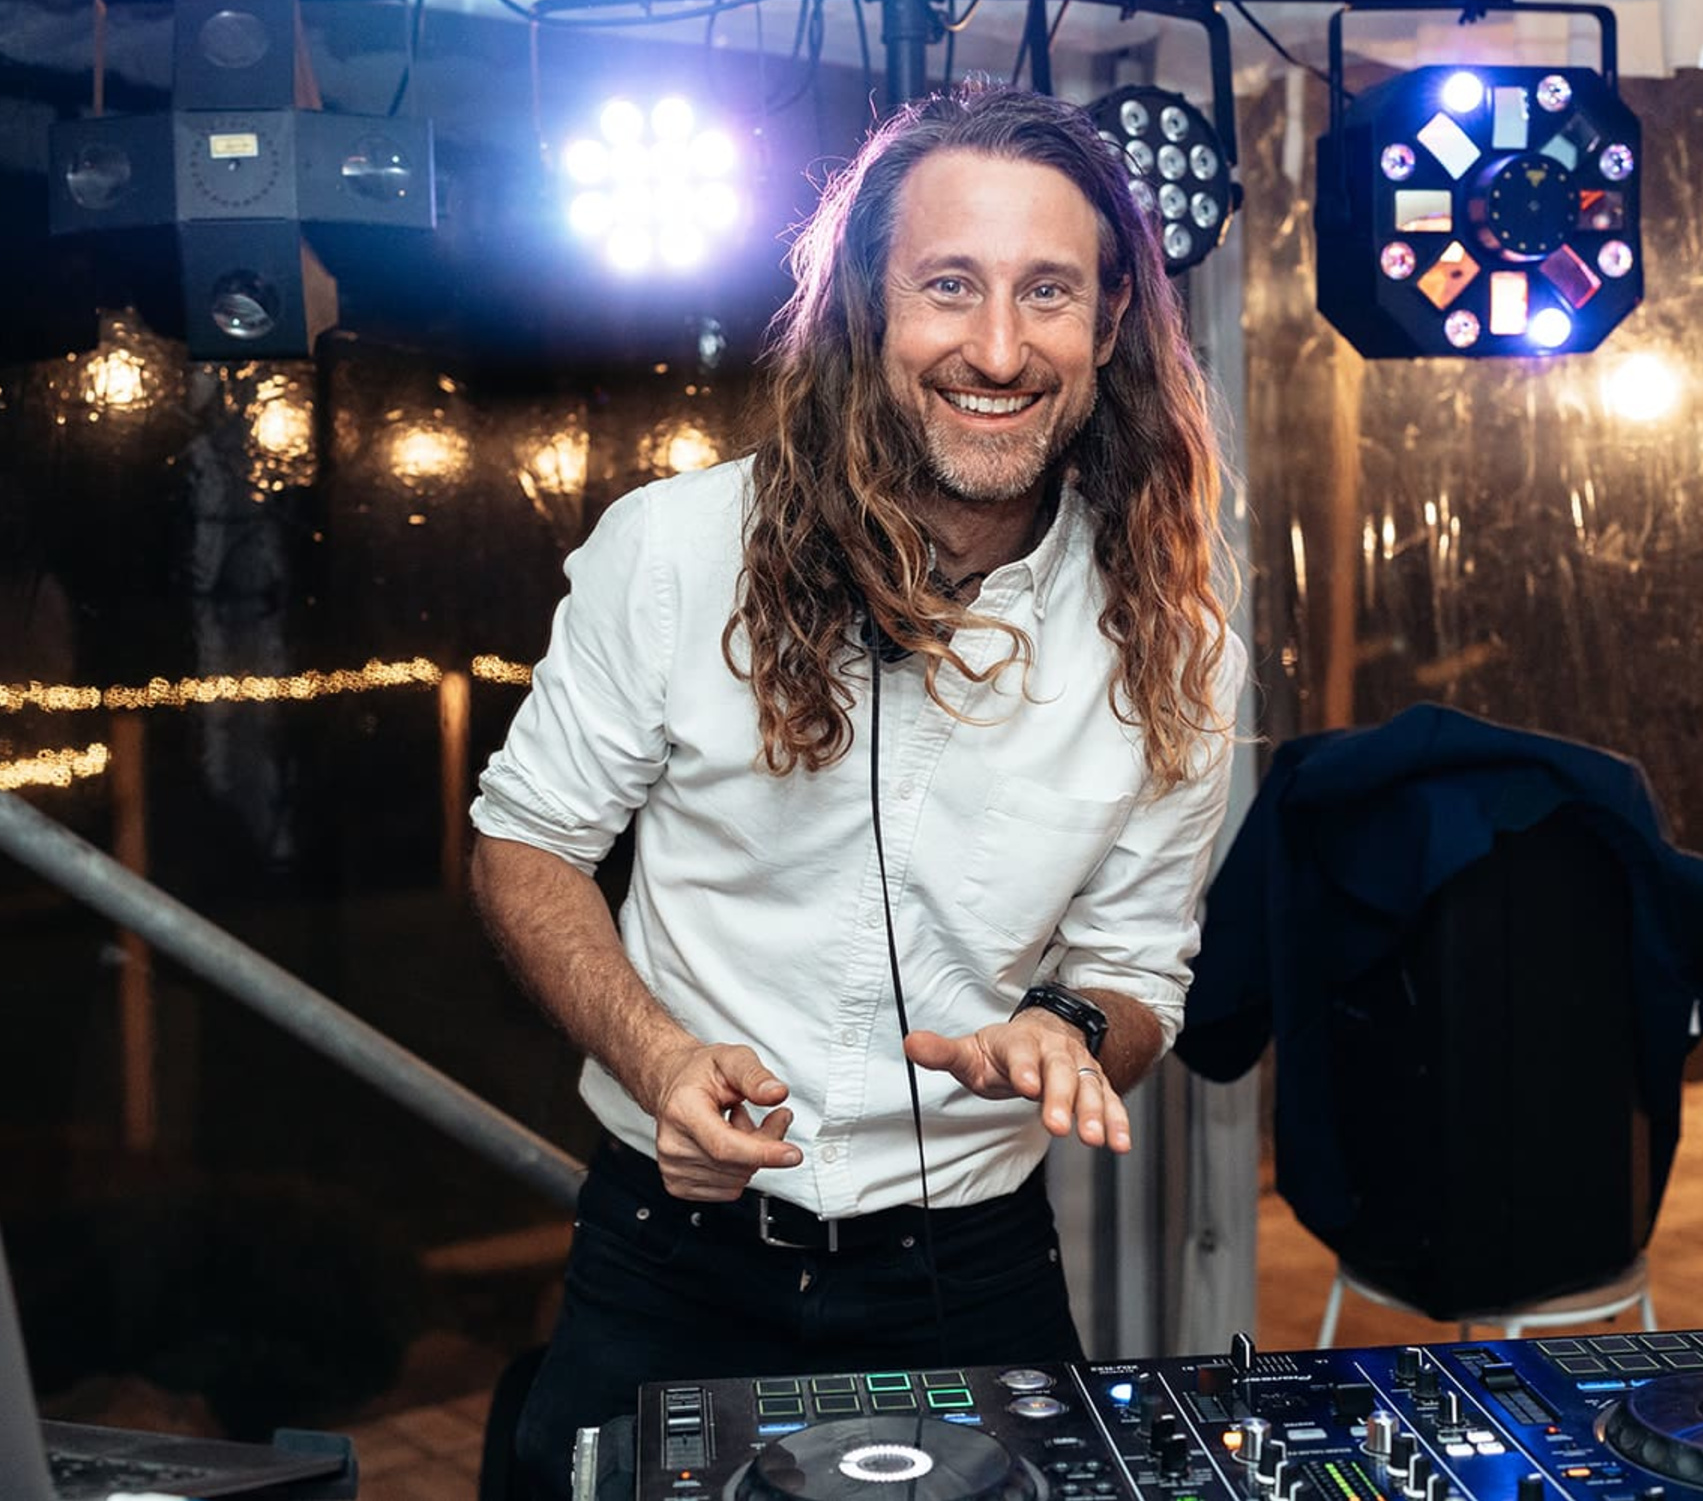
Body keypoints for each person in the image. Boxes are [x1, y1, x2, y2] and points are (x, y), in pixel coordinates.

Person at [469, 80, 1243, 1499]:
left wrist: (1070, 1032)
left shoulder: (1178, 652)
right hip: (665, 1252)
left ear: (1111, 325)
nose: (999, 348)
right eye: (950, 286)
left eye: (1048, 292)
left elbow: (1137, 971)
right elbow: (525, 841)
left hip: (968, 1267)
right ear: (865, 312)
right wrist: (659, 1060)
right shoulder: (673, 551)